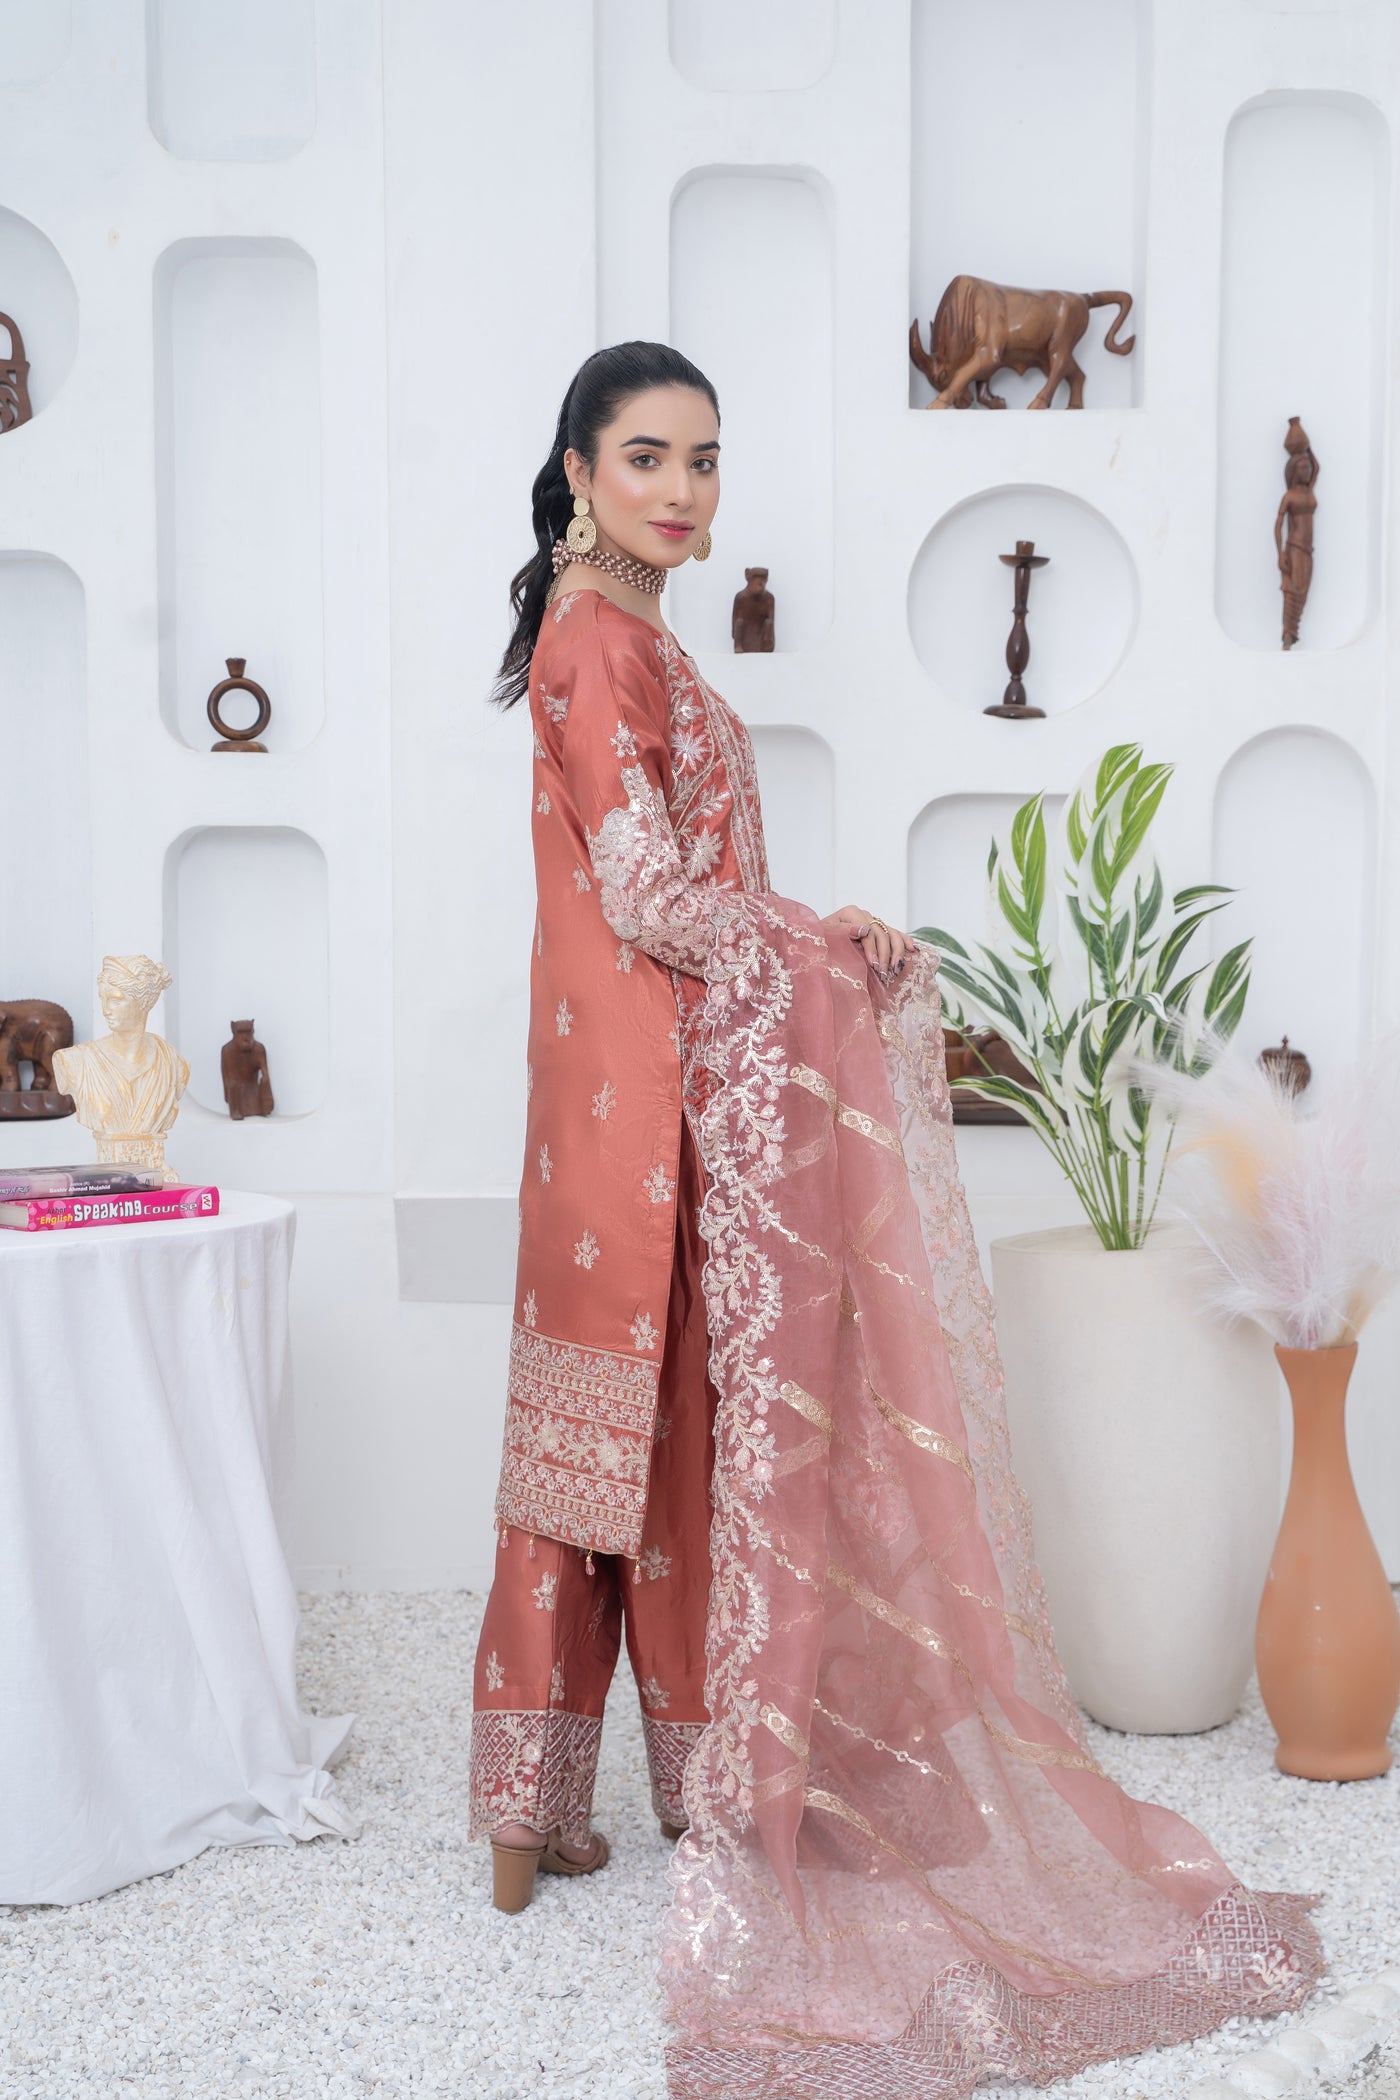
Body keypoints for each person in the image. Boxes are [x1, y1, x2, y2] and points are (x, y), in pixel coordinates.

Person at [471, 341, 1322, 2096]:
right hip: (636, 1103)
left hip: (650, 1088)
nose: (685, 489)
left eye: (708, 458)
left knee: (651, 1436)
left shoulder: (628, 631)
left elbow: (679, 887)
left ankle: (620, 1803)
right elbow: (650, 895)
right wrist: (821, 932)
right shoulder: (596, 638)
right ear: (578, 469)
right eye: (650, 457)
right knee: (620, 1438)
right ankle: (568, 1810)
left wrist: (799, 928)